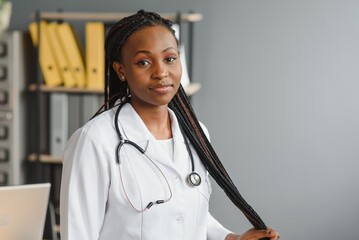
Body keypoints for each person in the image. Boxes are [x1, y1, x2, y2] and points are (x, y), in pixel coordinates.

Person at [60, 10, 280, 240]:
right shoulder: (94, 140)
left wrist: (231, 238)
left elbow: (189, 214)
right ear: (121, 70)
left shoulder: (196, 134)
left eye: (170, 59)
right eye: (143, 62)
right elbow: (78, 233)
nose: (161, 72)